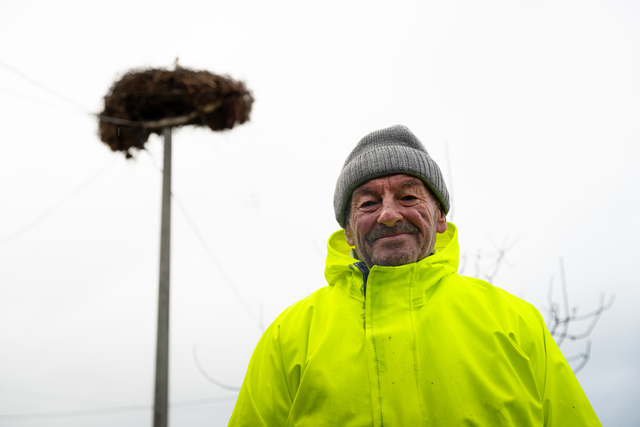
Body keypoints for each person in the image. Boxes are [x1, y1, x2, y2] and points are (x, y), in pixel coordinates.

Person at [228, 125, 602, 426]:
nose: (389, 215)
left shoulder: (517, 323)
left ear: (440, 217)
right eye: (368, 202)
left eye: (408, 197)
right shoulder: (287, 337)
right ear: (347, 231)